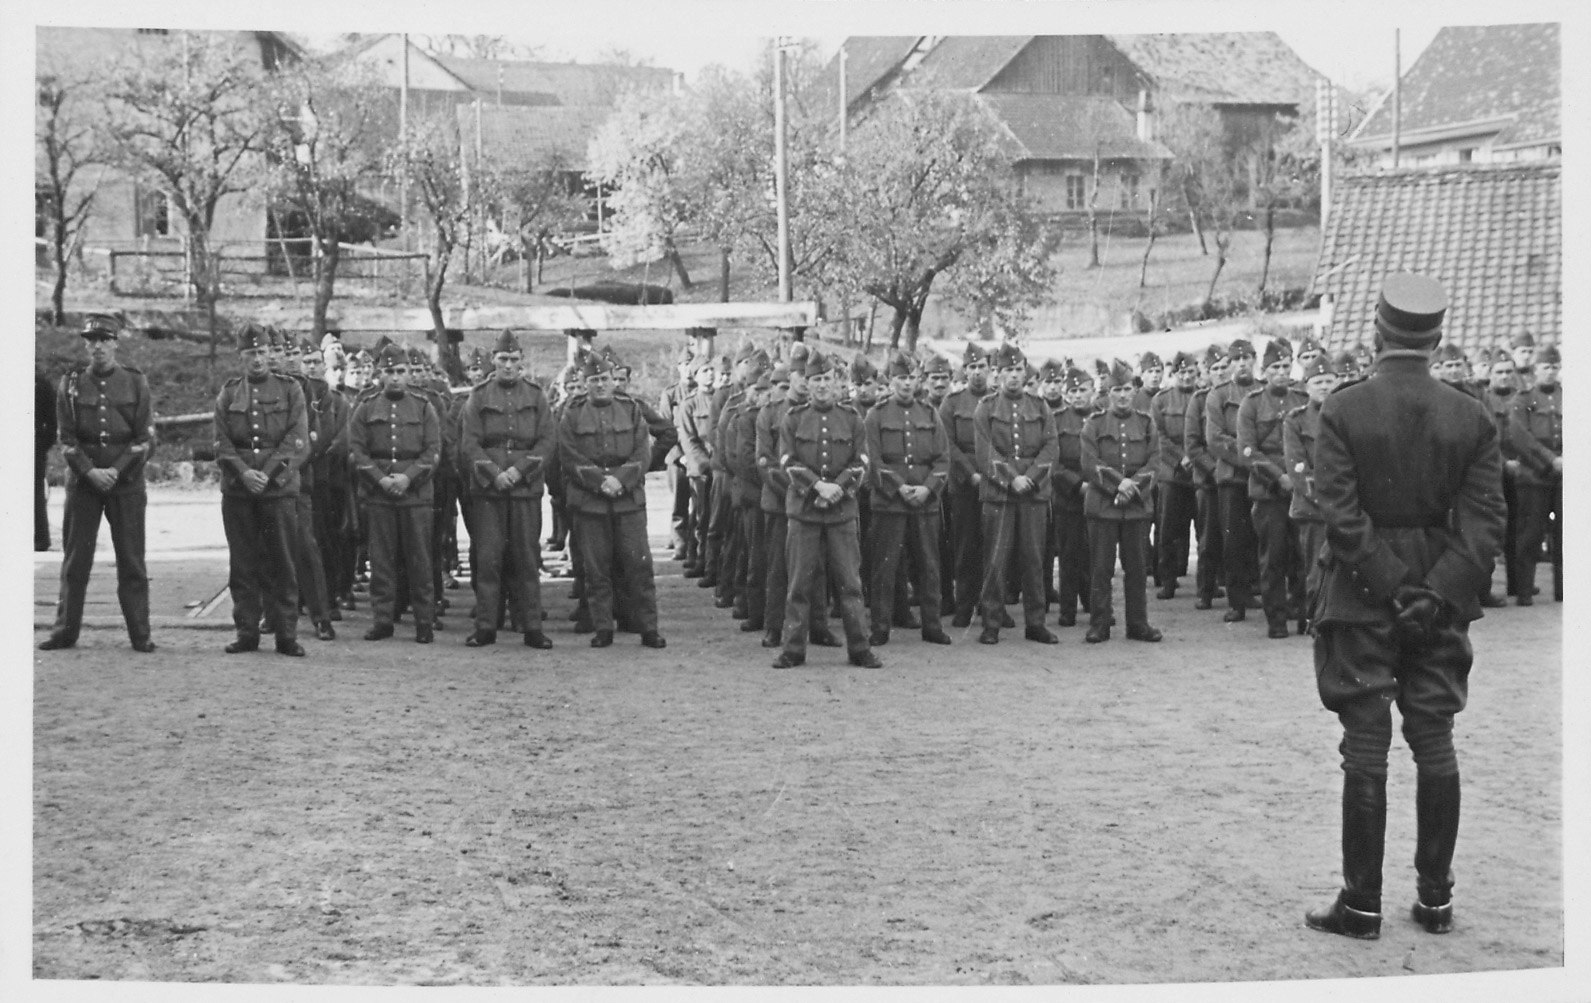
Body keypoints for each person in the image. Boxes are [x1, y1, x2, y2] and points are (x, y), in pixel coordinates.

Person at [1304, 273, 1506, 941]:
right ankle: (1435, 899)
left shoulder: (1342, 409)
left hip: (1361, 599)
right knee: (1434, 740)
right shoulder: (1470, 416)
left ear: (1376, 332)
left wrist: (1390, 587)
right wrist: (1433, 593)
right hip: (1439, 603)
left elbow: (1338, 513)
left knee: (1364, 746)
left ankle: (1360, 904)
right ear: (1436, 340)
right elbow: (1483, 526)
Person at [39, 314, 156, 653]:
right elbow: (67, 438)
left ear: (116, 343)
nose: (98, 347)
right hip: (84, 483)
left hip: (127, 482)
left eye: (105, 340)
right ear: (85, 344)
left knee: (132, 560)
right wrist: (90, 472)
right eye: (92, 340)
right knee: (76, 560)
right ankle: (65, 631)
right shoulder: (71, 383)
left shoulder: (135, 382)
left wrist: (116, 470)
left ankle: (140, 634)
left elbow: (143, 438)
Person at [772, 350, 880, 669]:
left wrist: (839, 486)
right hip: (804, 512)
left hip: (841, 513)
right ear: (806, 382)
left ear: (837, 383)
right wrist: (817, 486)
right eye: (815, 379)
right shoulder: (792, 419)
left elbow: (862, 462)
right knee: (799, 584)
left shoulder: (851, 418)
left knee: (849, 583)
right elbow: (786, 461)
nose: (821, 385)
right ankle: (793, 649)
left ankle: (860, 648)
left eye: (827, 379)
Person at [214, 322, 310, 657]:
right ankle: (246, 632)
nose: (257, 359)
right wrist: (244, 474)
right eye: (250, 353)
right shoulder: (228, 393)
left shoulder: (289, 390)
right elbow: (222, 444)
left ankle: (286, 634)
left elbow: (296, 440)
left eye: (262, 351)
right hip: (239, 493)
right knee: (242, 564)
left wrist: (266, 475)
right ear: (240, 356)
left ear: (271, 352)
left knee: (282, 562)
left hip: (278, 491)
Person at [557, 351, 665, 649]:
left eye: (605, 379)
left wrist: (621, 479)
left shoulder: (630, 409)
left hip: (627, 500)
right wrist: (599, 481)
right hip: (590, 502)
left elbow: (642, 451)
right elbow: (568, 455)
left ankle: (648, 627)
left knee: (638, 565)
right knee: (596, 567)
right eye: (594, 380)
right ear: (584, 382)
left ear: (613, 380)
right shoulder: (573, 412)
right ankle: (603, 627)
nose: (601, 385)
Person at [459, 329, 556, 649]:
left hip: (525, 489)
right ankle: (486, 626)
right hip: (489, 492)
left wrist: (518, 471)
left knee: (526, 558)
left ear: (522, 362)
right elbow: (470, 444)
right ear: (493, 361)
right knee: (488, 559)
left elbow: (546, 442)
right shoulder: (479, 395)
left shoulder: (536, 396)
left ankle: (531, 627)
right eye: (503, 359)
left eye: (514, 359)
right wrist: (493, 474)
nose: (509, 365)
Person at [349, 342, 441, 644]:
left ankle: (424, 622)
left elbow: (432, 451)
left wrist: (408, 477)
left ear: (409, 373)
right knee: (382, 560)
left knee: (419, 561)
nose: (396, 378)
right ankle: (383, 620)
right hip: (379, 496)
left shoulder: (425, 407)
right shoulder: (365, 407)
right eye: (389, 372)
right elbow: (358, 451)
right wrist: (380, 479)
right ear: (380, 373)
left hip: (416, 497)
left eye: (401, 371)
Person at [864, 351, 952, 646]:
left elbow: (942, 460)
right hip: (890, 503)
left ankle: (932, 625)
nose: (906, 384)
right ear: (890, 381)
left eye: (912, 377)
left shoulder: (929, 414)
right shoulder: (875, 415)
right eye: (901, 377)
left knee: (929, 565)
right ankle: (880, 626)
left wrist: (927, 488)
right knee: (885, 567)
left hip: (925, 504)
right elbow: (873, 461)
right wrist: (900, 488)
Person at [973, 343, 1060, 646]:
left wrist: (1031, 478)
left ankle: (1036, 623)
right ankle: (991, 623)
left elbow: (1051, 448)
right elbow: (984, 453)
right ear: (997, 375)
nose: (1013, 376)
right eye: (1007, 370)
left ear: (1026, 373)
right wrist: (1012, 480)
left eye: (1018, 370)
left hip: (1034, 495)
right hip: (1000, 496)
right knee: (996, 560)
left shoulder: (1040, 407)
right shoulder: (985, 407)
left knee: (1034, 560)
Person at [1080, 360, 1161, 644]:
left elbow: (1154, 461)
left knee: (1137, 569)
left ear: (1134, 390)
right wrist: (1120, 483)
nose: (1123, 395)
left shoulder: (1147, 423)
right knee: (1101, 569)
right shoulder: (1094, 423)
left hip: (1136, 507)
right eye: (1117, 389)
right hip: (1103, 507)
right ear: (1109, 392)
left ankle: (1138, 624)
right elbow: (1089, 462)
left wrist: (1132, 487)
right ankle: (1099, 624)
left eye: (1127, 389)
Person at [1239, 338, 1308, 638]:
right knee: (1273, 559)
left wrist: (1297, 480)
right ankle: (1276, 620)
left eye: (1285, 366)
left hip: (1301, 491)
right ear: (1264, 371)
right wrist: (1279, 477)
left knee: (1304, 557)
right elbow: (1247, 450)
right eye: (1275, 367)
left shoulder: (1301, 399)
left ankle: (1306, 616)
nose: (1281, 372)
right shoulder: (1252, 404)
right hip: (1269, 494)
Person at [1281, 354, 1339, 636]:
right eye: (1318, 382)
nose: (1324, 387)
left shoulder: (1346, 416)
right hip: (1313, 508)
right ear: (1306, 386)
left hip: (1344, 507)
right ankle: (1316, 620)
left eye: (1329, 381)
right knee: (1316, 566)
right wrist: (1327, 499)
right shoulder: (1295, 421)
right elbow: (1297, 469)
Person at [1205, 338, 1260, 621]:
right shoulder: (1218, 396)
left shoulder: (1265, 392)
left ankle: (1256, 590)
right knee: (1233, 539)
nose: (1241, 364)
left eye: (1246, 359)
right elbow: (1215, 440)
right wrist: (1250, 459)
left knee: (1262, 537)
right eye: (1236, 360)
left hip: (1264, 478)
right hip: (1233, 477)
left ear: (1254, 360)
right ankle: (1236, 601)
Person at [940, 343, 993, 627]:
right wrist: (971, 474)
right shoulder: (951, 403)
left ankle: (992, 606)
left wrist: (992, 474)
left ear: (989, 369)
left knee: (994, 546)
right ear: (965, 370)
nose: (976, 373)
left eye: (981, 366)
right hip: (963, 485)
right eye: (971, 367)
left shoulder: (999, 402)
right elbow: (947, 444)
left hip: (996, 482)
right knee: (964, 546)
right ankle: (964, 606)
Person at [1507, 342, 1562, 605]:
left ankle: (1564, 591)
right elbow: (1520, 437)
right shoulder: (1524, 399)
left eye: (1554, 367)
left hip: (1565, 477)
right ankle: (1525, 592)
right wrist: (1551, 460)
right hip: (1534, 475)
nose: (1550, 372)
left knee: (1565, 537)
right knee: (1530, 535)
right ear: (1536, 370)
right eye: (1545, 367)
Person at [1150, 352, 1199, 599]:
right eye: (1182, 372)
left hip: (1201, 474)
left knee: (1206, 531)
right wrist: (1180, 458)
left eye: (1191, 371)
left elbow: (1208, 432)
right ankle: (1168, 581)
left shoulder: (1205, 397)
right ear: (1173, 374)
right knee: (1168, 531)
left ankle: (1207, 584)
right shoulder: (1161, 401)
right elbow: (1158, 436)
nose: (1187, 376)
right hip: (1172, 474)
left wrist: (1195, 457)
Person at [36, 368, 58, 552]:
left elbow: (52, 422)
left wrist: (41, 445)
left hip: (33, 447)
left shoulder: (40, 383)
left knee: (35, 494)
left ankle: (40, 539)